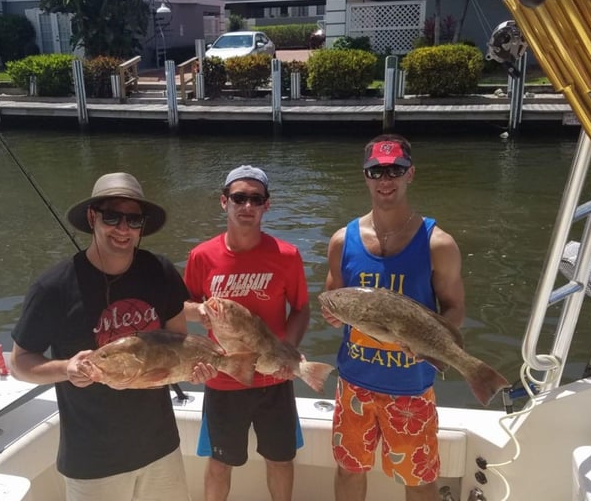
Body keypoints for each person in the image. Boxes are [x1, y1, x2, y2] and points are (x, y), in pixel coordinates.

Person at [10, 172, 212, 501]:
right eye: (112, 217)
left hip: (159, 446)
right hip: (93, 459)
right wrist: (65, 370)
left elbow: (179, 343)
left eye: (133, 220)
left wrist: (194, 369)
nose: (123, 229)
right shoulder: (54, 287)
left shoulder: (159, 271)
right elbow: (20, 362)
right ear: (93, 218)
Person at [322, 135, 466, 501]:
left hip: (411, 387)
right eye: (376, 171)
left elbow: (454, 308)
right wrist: (332, 317)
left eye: (395, 170)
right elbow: (332, 299)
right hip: (354, 382)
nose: (385, 180)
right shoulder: (342, 240)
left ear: (410, 174)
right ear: (366, 176)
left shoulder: (438, 243)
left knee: (418, 479)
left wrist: (432, 343)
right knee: (349, 470)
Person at [183, 165, 310, 501]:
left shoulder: (287, 255)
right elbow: (182, 307)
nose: (247, 206)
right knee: (220, 462)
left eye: (256, 199)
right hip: (224, 379)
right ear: (224, 202)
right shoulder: (201, 256)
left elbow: (301, 308)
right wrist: (197, 313)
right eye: (239, 197)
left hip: (275, 379)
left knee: (281, 459)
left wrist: (289, 349)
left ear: (267, 205)